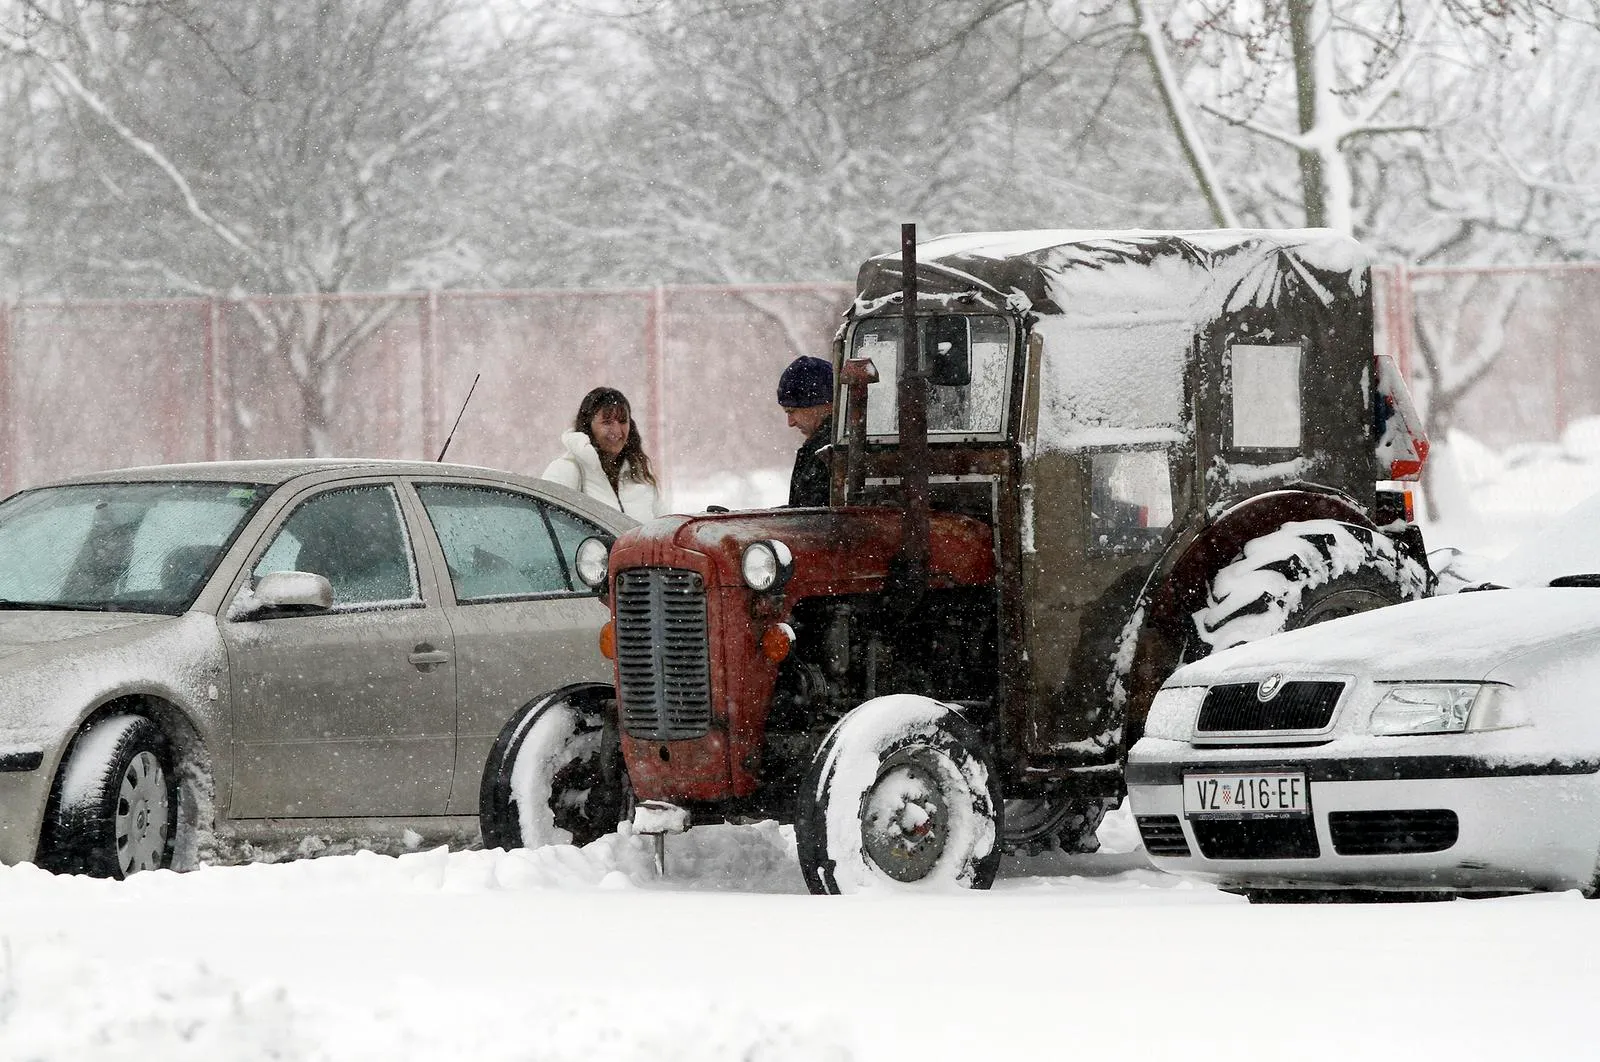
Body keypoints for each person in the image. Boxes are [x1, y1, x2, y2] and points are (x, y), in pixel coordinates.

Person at [542, 387, 664, 520]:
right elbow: (546, 527)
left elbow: (664, 531)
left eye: (623, 421)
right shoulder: (566, 470)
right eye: (607, 422)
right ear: (587, 425)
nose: (617, 431)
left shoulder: (641, 474)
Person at [778, 355, 834, 507]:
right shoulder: (820, 450)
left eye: (792, 411)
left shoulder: (831, 454)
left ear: (823, 404)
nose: (790, 423)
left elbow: (815, 523)